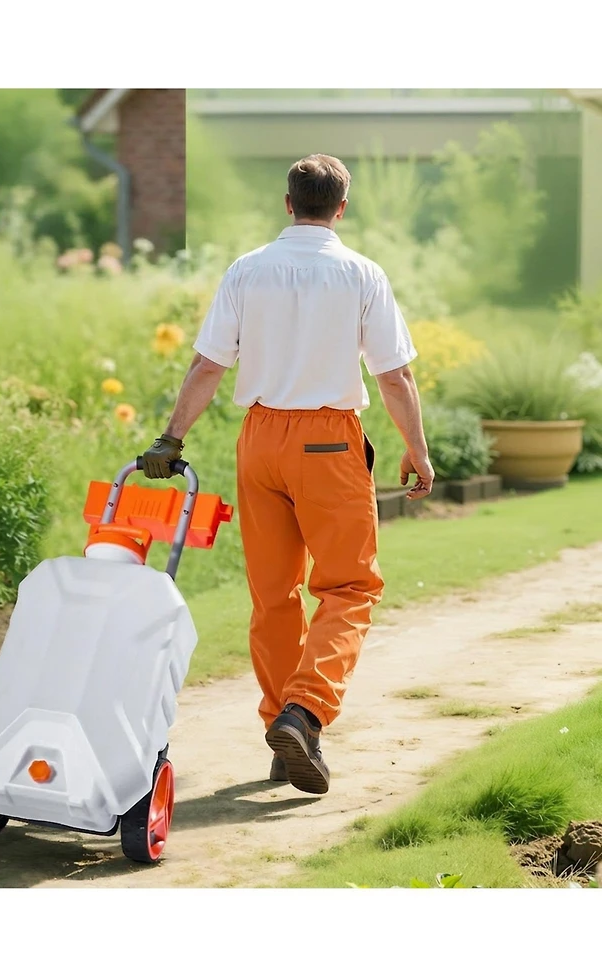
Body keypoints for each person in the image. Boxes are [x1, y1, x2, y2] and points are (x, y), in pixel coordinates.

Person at [141, 154, 433, 795]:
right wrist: (416, 448)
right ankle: (304, 711)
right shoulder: (361, 274)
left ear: (288, 202)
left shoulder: (247, 271)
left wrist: (171, 438)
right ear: (341, 208)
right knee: (351, 588)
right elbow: (394, 375)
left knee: (275, 596)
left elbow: (208, 365)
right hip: (328, 441)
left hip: (261, 440)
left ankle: (284, 734)